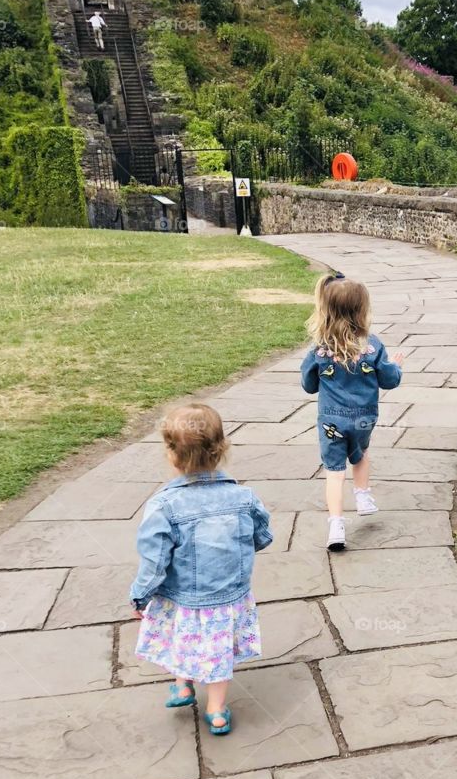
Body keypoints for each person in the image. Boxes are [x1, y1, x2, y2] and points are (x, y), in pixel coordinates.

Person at [129, 404, 271, 735]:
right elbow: (262, 536)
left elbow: (154, 561)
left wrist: (140, 596)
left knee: (184, 637)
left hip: (182, 596)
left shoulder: (164, 505)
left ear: (171, 454)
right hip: (227, 596)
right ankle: (217, 710)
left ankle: (182, 685)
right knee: (217, 650)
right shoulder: (244, 497)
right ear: (221, 448)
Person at [301, 273, 404, 551]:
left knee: (334, 471)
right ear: (361, 310)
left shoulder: (318, 350)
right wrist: (395, 366)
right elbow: (389, 380)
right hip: (364, 418)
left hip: (331, 422)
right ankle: (363, 497)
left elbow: (308, 385)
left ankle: (336, 525)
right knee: (361, 454)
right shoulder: (373, 346)